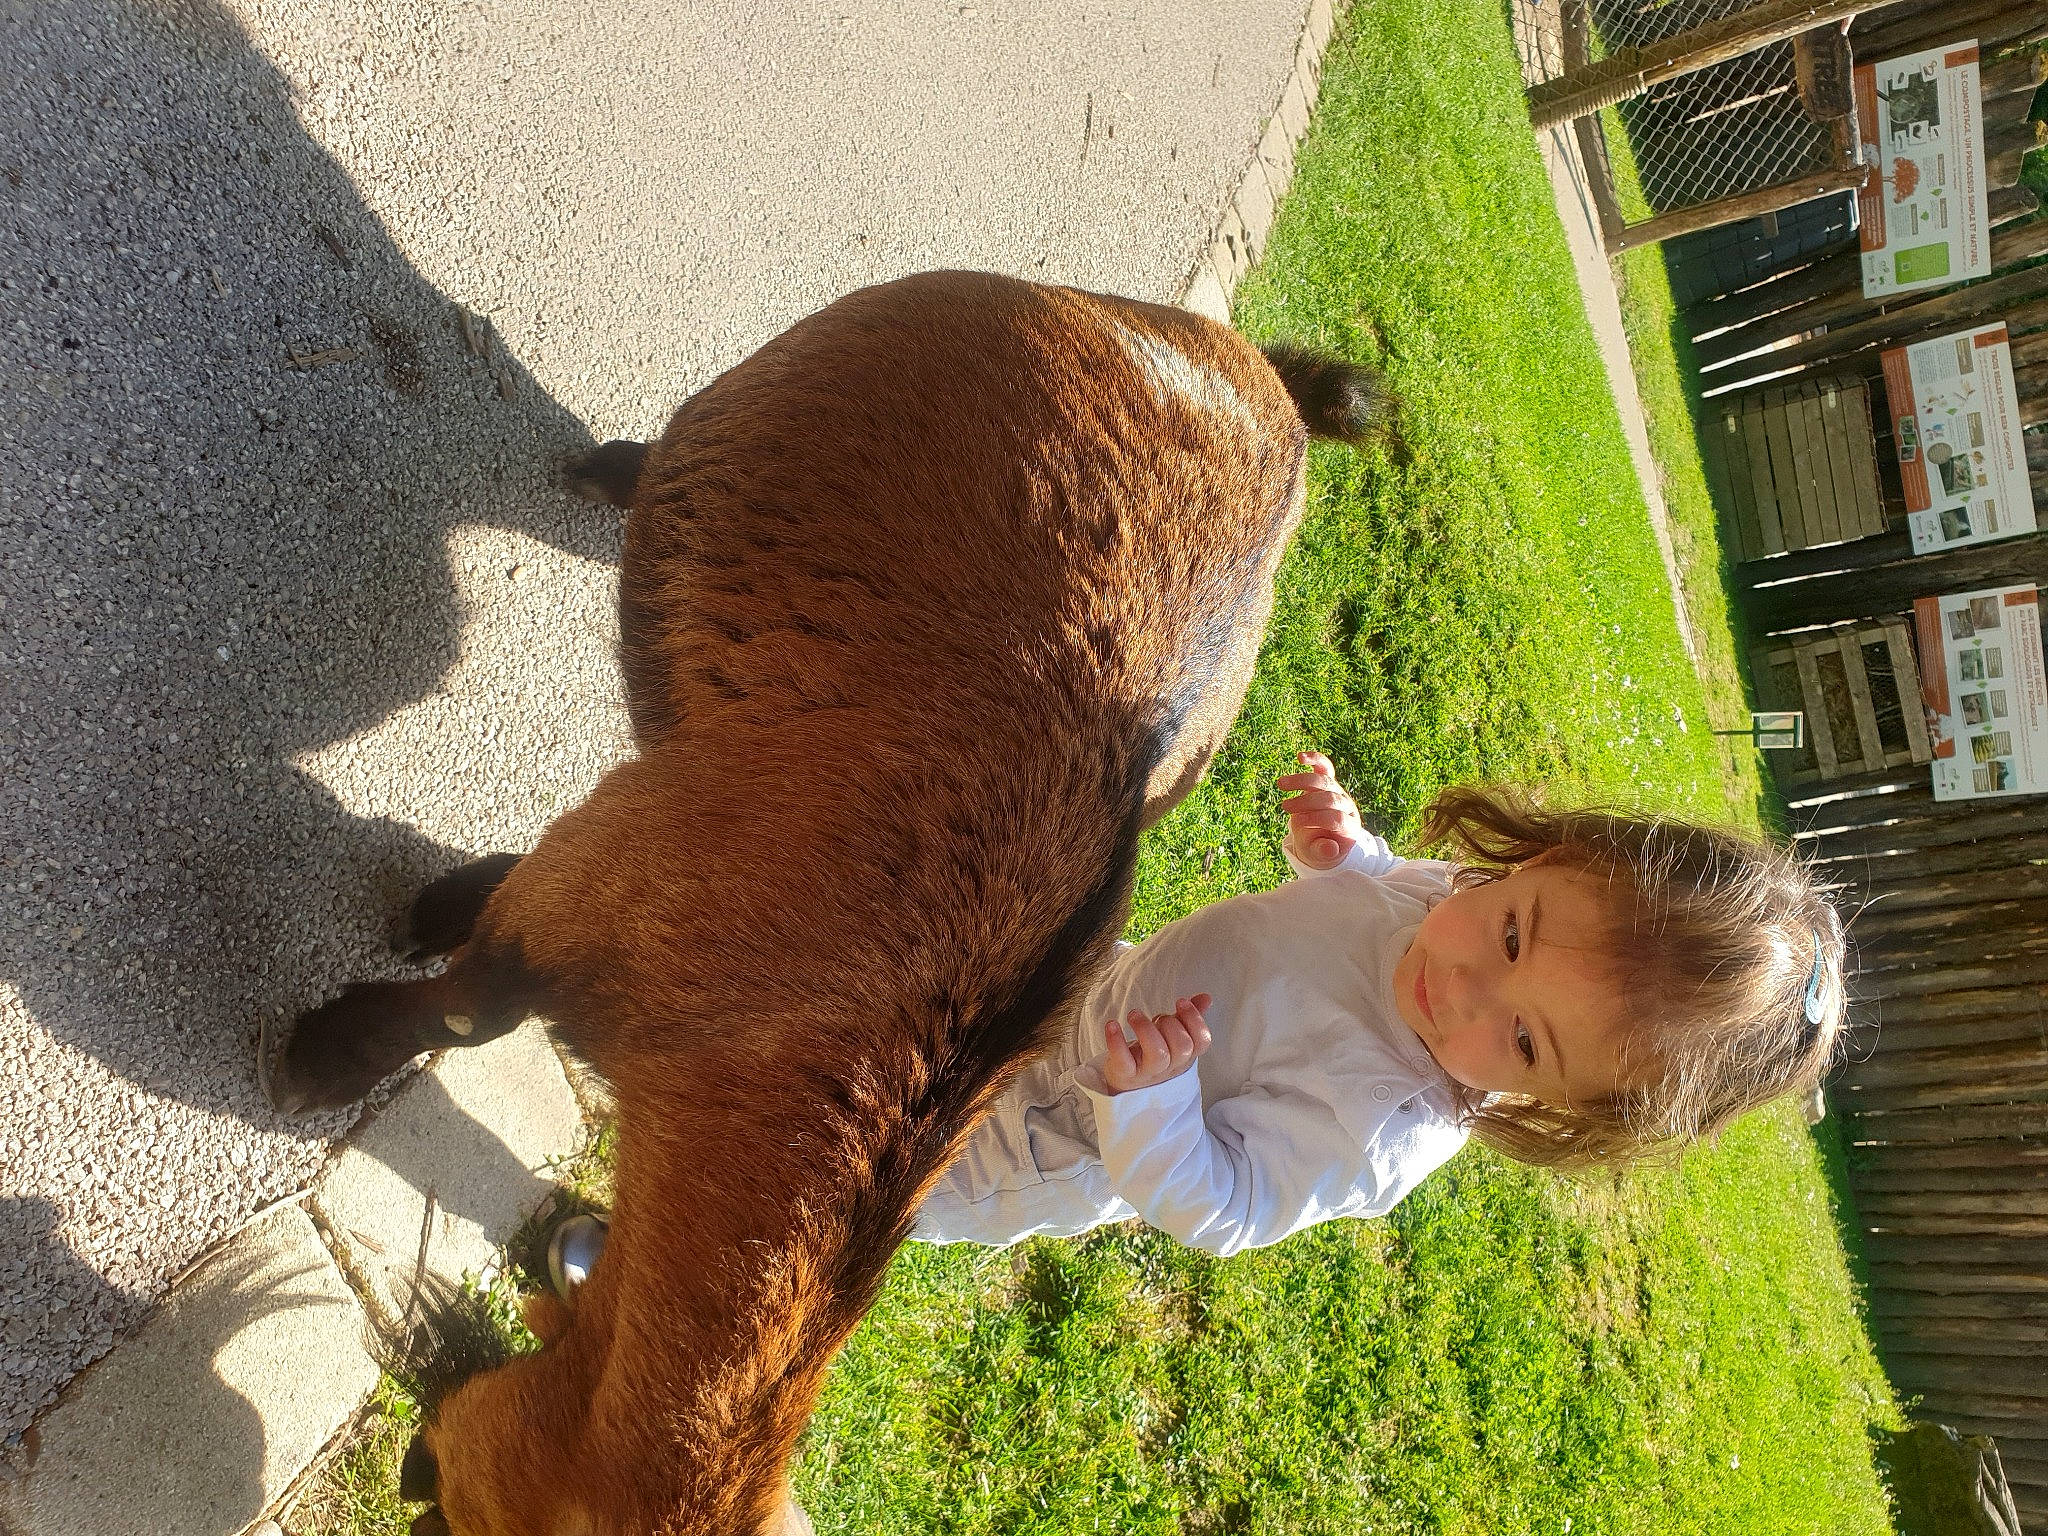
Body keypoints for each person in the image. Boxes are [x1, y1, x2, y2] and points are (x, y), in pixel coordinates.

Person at [909, 751, 1849, 1257]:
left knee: (852, 1172)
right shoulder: (1445, 894)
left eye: (1524, 1040)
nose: (1468, 986)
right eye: (1513, 935)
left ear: (1563, 1105)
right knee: (900, 1013)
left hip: (1048, 1135)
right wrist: (1348, 855)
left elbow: (1229, 1208)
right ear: (1548, 859)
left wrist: (1150, 1103)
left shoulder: (1379, 1127)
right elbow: (1382, 886)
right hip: (1094, 990)